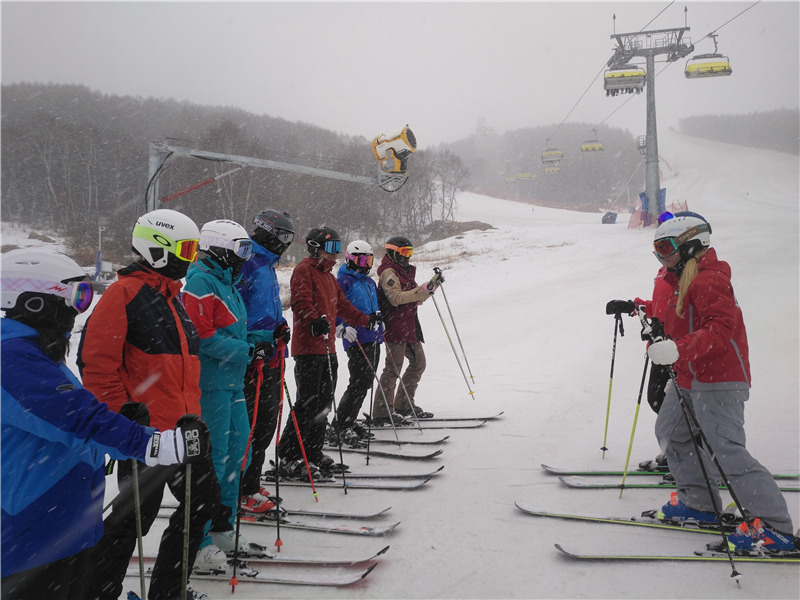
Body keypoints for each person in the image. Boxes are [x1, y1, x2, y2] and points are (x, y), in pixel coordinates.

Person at [0, 248, 208, 600]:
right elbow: (74, 417)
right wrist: (153, 444)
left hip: (63, 520)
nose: (79, 308)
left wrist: (122, 419)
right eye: (76, 297)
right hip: (32, 531)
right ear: (33, 300)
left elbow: (72, 415)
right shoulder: (12, 358)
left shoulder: (35, 351)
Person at [78, 209, 223, 600]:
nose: (191, 258)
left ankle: (168, 589)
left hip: (187, 428)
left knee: (203, 504)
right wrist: (123, 415)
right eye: (186, 249)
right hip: (147, 435)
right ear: (158, 249)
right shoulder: (122, 295)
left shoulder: (172, 297)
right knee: (131, 521)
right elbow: (95, 365)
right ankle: (98, 591)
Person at [647, 213, 795, 552]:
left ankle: (774, 527)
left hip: (719, 378)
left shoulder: (708, 280)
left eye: (665, 247)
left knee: (726, 451)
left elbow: (720, 329)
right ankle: (699, 501)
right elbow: (678, 320)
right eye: (656, 249)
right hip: (690, 376)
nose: (661, 256)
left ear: (690, 244)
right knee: (671, 431)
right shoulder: (682, 279)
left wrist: (677, 349)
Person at [183, 219, 266, 557]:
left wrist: (263, 341)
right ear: (219, 248)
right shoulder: (201, 282)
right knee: (214, 459)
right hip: (211, 385)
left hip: (232, 383)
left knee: (237, 456)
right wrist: (247, 352)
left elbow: (235, 331)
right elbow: (203, 339)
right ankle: (199, 539)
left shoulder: (228, 282)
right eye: (240, 249)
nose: (245, 257)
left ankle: (222, 525)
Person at [277, 226, 380, 479]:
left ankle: (312, 451)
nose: (335, 255)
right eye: (330, 248)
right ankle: (290, 454)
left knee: (324, 404)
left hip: (327, 349)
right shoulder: (304, 270)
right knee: (307, 403)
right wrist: (313, 321)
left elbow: (342, 305)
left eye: (337, 248)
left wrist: (365, 320)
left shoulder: (329, 277)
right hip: (309, 348)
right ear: (315, 248)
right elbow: (300, 302)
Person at [235, 209, 294, 511]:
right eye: (283, 237)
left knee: (267, 423)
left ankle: (251, 482)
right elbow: (235, 310)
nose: (286, 244)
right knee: (251, 424)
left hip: (271, 354)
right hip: (251, 358)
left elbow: (269, 306)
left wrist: (280, 325)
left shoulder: (267, 264)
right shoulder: (246, 261)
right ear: (267, 232)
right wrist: (253, 340)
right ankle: (238, 489)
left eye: (289, 239)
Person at [370, 236, 443, 425]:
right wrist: (422, 289)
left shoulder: (405, 271)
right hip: (395, 327)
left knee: (419, 363)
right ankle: (382, 411)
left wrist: (430, 288)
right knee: (393, 368)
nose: (408, 257)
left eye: (410, 252)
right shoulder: (389, 272)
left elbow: (415, 299)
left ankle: (403, 404)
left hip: (409, 326)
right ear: (393, 252)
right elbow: (396, 299)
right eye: (404, 252)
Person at [326, 240, 384, 445]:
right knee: (359, 382)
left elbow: (374, 305)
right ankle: (341, 425)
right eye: (361, 259)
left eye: (369, 259)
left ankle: (349, 420)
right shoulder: (343, 281)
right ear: (350, 259)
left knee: (366, 382)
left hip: (373, 336)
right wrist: (340, 328)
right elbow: (335, 308)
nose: (366, 263)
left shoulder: (369, 282)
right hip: (356, 337)